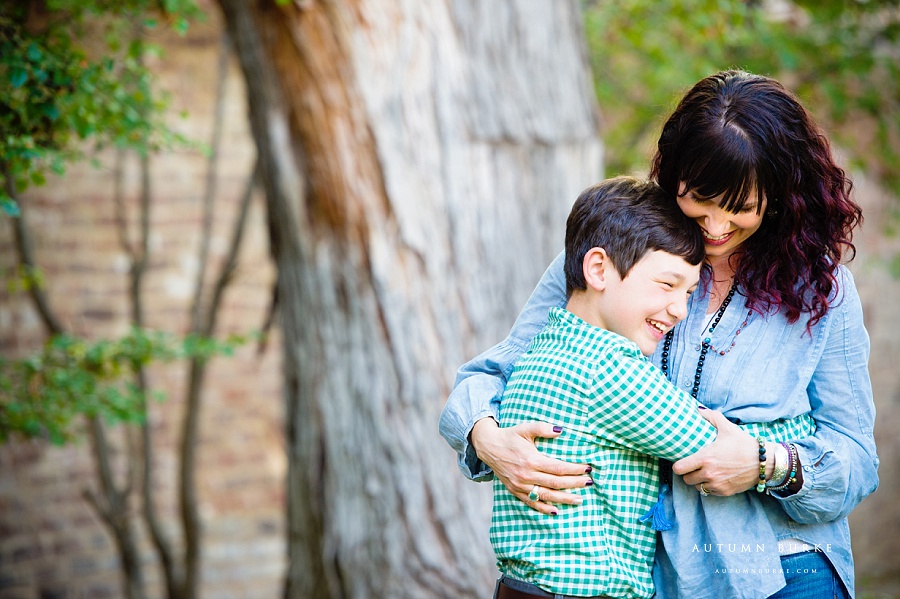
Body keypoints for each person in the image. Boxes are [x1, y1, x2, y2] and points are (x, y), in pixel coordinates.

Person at [440, 70, 878, 599]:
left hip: (781, 567)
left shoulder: (821, 289)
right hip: (651, 574)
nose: (716, 227)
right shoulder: (612, 256)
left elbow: (855, 458)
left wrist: (765, 463)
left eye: (741, 207)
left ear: (780, 197)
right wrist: (489, 441)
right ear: (674, 177)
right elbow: (494, 374)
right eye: (702, 198)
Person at [491, 176, 721, 599]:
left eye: (689, 292)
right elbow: (713, 448)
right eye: (667, 284)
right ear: (598, 269)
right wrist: (792, 437)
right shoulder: (611, 368)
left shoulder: (543, 347)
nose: (680, 309)